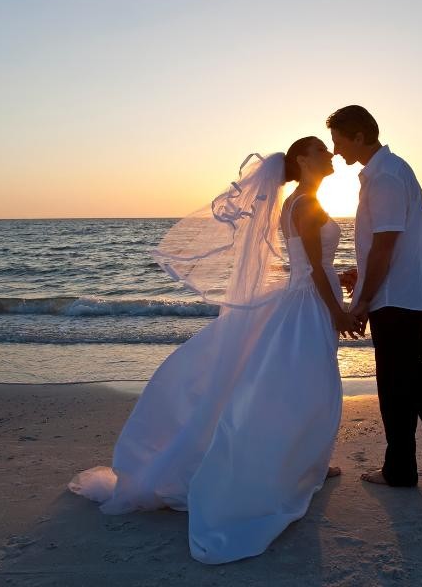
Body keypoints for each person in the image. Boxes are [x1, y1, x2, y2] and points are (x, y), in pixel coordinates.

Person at [68, 137, 359, 564]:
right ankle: (294, 468)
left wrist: (341, 274)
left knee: (303, 387)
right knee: (306, 389)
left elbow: (312, 263)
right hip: (308, 306)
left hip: (303, 298)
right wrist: (338, 311)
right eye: (321, 150)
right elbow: (313, 268)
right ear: (302, 159)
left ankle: (308, 466)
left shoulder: (299, 201)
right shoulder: (305, 204)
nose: (329, 156)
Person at [328, 105, 422, 487]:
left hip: (395, 299)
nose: (336, 150)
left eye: (339, 140)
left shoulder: (386, 177)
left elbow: (385, 247)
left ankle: (399, 470)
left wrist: (363, 300)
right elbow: (384, 249)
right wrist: (361, 274)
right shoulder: (387, 172)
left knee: (397, 387)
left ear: (360, 136)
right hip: (403, 293)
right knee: (416, 378)